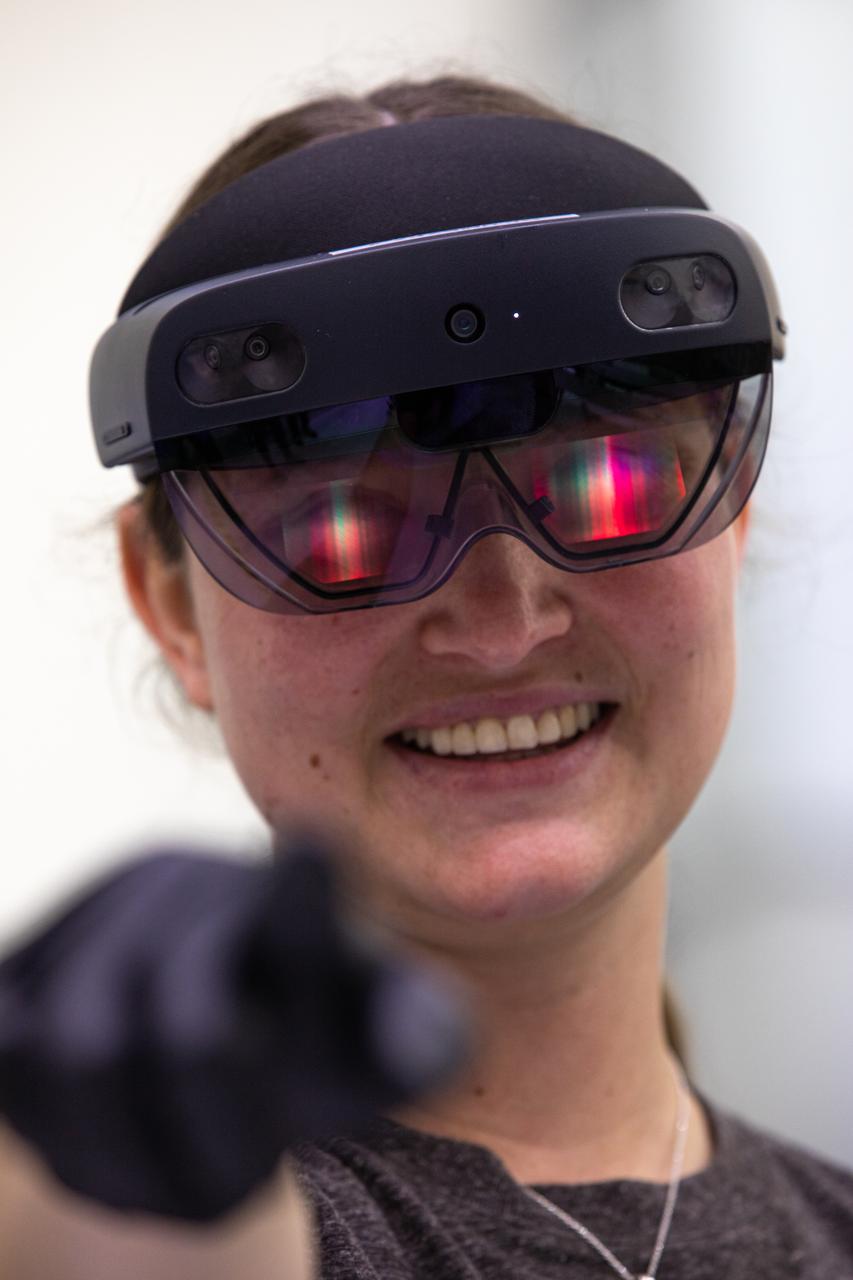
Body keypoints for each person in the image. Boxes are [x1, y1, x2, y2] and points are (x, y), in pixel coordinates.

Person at [2, 74, 852, 1279]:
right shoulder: (170, 1215)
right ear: (170, 608)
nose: (502, 626)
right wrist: (111, 1191)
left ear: (733, 520)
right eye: (339, 529)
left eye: (606, 484)